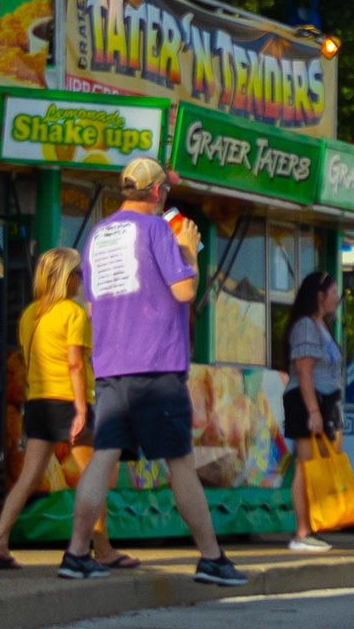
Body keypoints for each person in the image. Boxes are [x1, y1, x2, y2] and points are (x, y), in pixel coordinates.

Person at [64, 155, 243, 586]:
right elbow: (183, 291)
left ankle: (74, 554)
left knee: (102, 457)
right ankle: (212, 558)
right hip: (157, 366)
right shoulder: (157, 229)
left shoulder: (96, 236)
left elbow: (93, 304)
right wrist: (188, 254)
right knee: (179, 461)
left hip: (110, 366)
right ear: (158, 193)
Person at [0, 247, 126, 572]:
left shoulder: (30, 315)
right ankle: (101, 549)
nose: (83, 280)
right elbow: (75, 364)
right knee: (96, 476)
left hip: (38, 404)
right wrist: (81, 409)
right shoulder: (73, 314)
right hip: (69, 401)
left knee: (28, 477)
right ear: (67, 277)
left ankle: (0, 541)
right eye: (80, 273)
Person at [282, 268, 343, 554]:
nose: (337, 298)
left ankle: (311, 527)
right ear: (320, 296)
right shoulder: (307, 325)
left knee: (314, 467)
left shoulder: (320, 325)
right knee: (305, 466)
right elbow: (304, 372)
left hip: (321, 402)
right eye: (333, 293)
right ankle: (302, 531)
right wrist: (313, 411)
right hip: (306, 401)